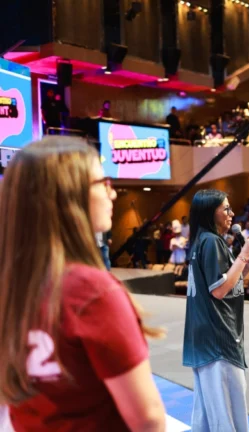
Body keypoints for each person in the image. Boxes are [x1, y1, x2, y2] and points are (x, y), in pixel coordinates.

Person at [0, 137, 166, 431]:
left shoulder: (13, 287)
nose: (112, 194)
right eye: (103, 182)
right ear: (69, 197)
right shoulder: (90, 292)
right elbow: (148, 418)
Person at [182, 189, 249, 431]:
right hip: (219, 338)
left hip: (205, 336)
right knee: (227, 416)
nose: (231, 213)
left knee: (208, 415)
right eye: (225, 208)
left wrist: (243, 267)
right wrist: (244, 256)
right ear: (209, 212)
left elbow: (225, 282)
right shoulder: (212, 241)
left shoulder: (202, 241)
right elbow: (218, 290)